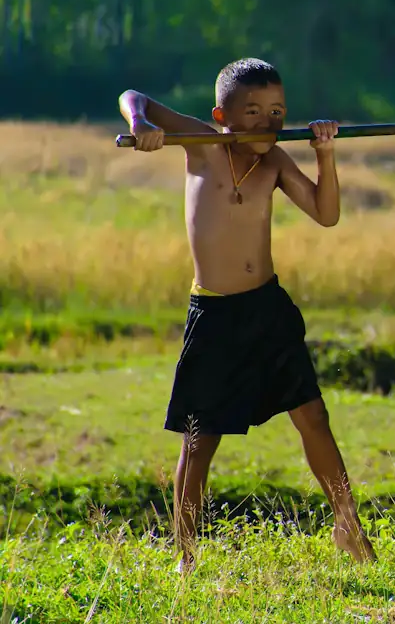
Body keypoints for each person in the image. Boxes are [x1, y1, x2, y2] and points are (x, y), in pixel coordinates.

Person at [119, 57, 376, 571]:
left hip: (266, 309)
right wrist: (141, 126)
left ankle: (347, 523)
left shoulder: (276, 160)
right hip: (214, 316)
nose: (268, 121)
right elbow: (134, 96)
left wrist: (325, 155)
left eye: (278, 111)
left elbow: (326, 215)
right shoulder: (199, 145)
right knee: (199, 438)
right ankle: (184, 553)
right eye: (253, 111)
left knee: (313, 416)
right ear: (222, 115)